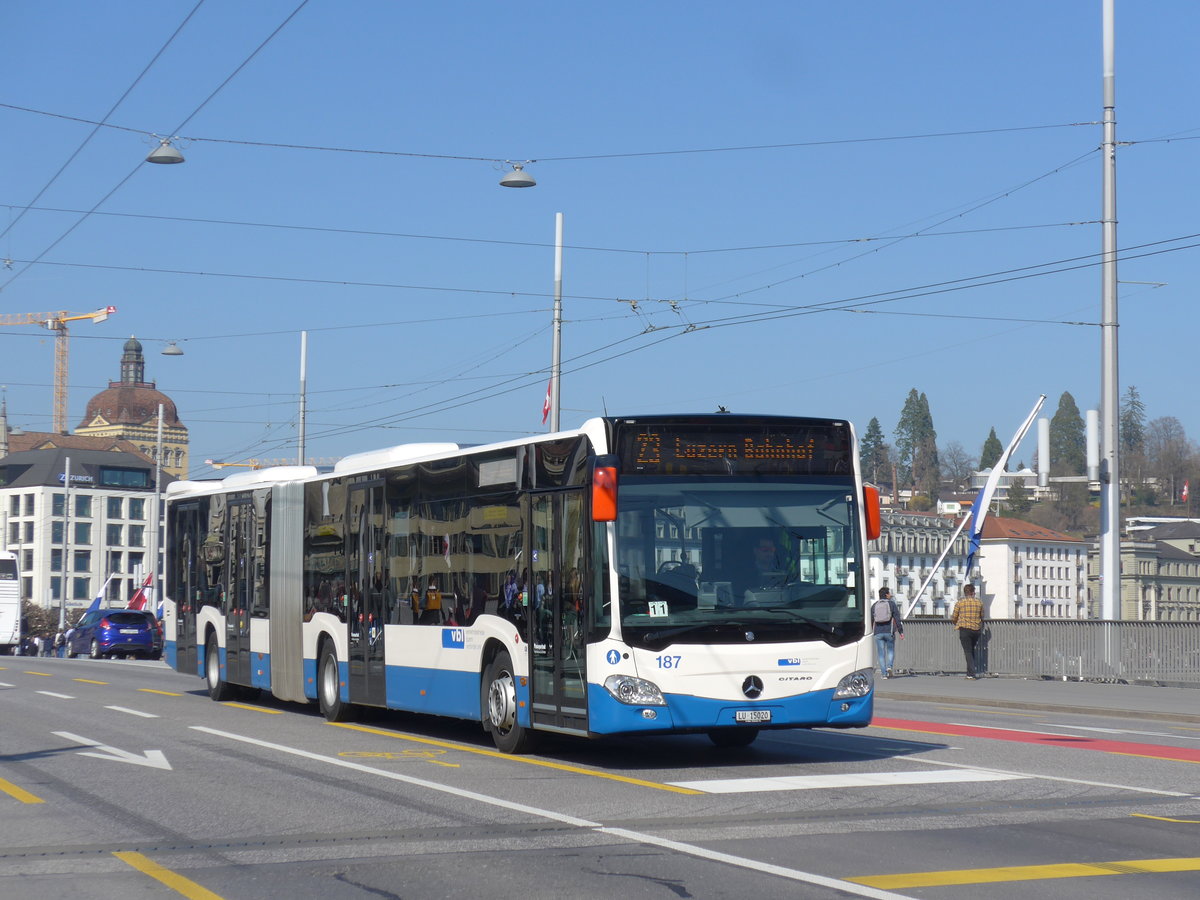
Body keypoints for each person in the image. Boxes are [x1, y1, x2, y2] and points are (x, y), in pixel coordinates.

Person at [951, 583, 985, 679]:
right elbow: (982, 616)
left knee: (968, 651)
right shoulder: (979, 603)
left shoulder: (960, 603)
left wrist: (956, 623)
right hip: (976, 629)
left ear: (965, 593)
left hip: (964, 629)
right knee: (971, 650)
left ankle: (971, 674)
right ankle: (970, 672)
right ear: (973, 592)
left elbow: (954, 617)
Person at [871, 586, 904, 678]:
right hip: (889, 632)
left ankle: (883, 674)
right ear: (886, 595)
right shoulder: (891, 604)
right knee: (890, 650)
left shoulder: (874, 605)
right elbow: (897, 618)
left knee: (881, 654)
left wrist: (871, 631)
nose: (890, 595)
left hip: (878, 632)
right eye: (889, 593)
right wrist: (901, 631)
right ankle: (889, 667)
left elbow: (871, 619)